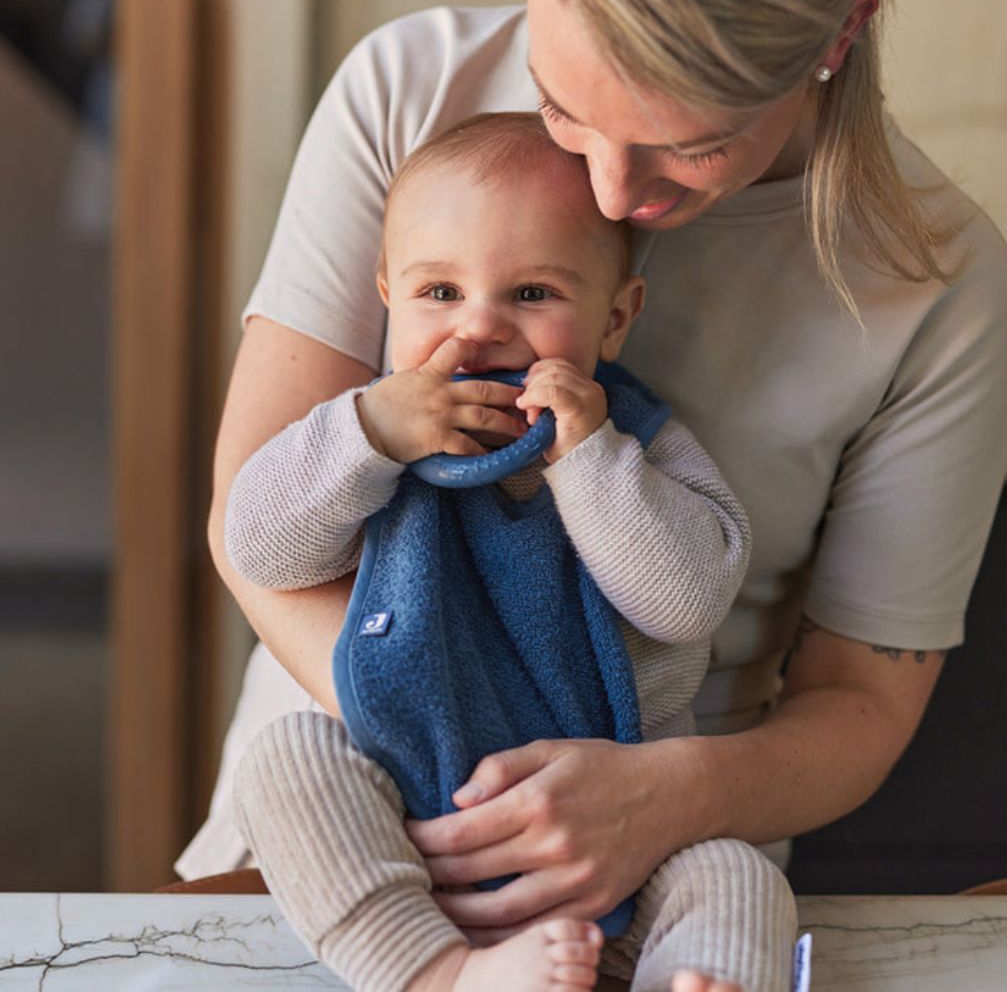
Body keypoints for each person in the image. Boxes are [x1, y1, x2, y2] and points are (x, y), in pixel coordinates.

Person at [178, 0, 1007, 990]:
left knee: (735, 888)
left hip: (652, 828)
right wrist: (451, 750)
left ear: (841, 31)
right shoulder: (410, 87)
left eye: (694, 140)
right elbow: (249, 526)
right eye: (561, 103)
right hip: (359, 774)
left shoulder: (940, 286)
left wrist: (655, 800)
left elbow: (860, 701)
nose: (616, 195)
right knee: (289, 773)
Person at [224, 111, 795, 991]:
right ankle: (440, 973)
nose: (481, 327)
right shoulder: (366, 433)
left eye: (533, 294)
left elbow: (684, 601)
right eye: (440, 294)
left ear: (615, 319)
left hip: (615, 841)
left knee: (738, 875)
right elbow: (258, 546)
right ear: (387, 292)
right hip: (409, 825)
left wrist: (587, 459)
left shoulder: (634, 446)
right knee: (288, 762)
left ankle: (696, 976)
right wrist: (369, 433)